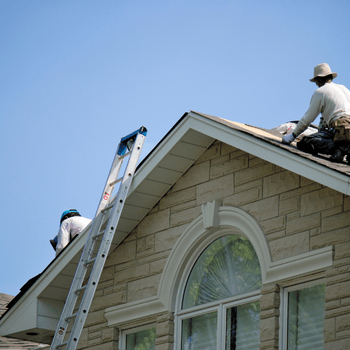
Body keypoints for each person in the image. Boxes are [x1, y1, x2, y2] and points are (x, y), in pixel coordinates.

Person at [282, 63, 350, 161]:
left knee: (305, 142)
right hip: (345, 131)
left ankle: (339, 148)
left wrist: (292, 136)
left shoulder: (321, 92)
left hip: (343, 129)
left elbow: (308, 119)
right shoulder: (344, 88)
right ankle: (347, 149)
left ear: (318, 80)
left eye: (316, 82)